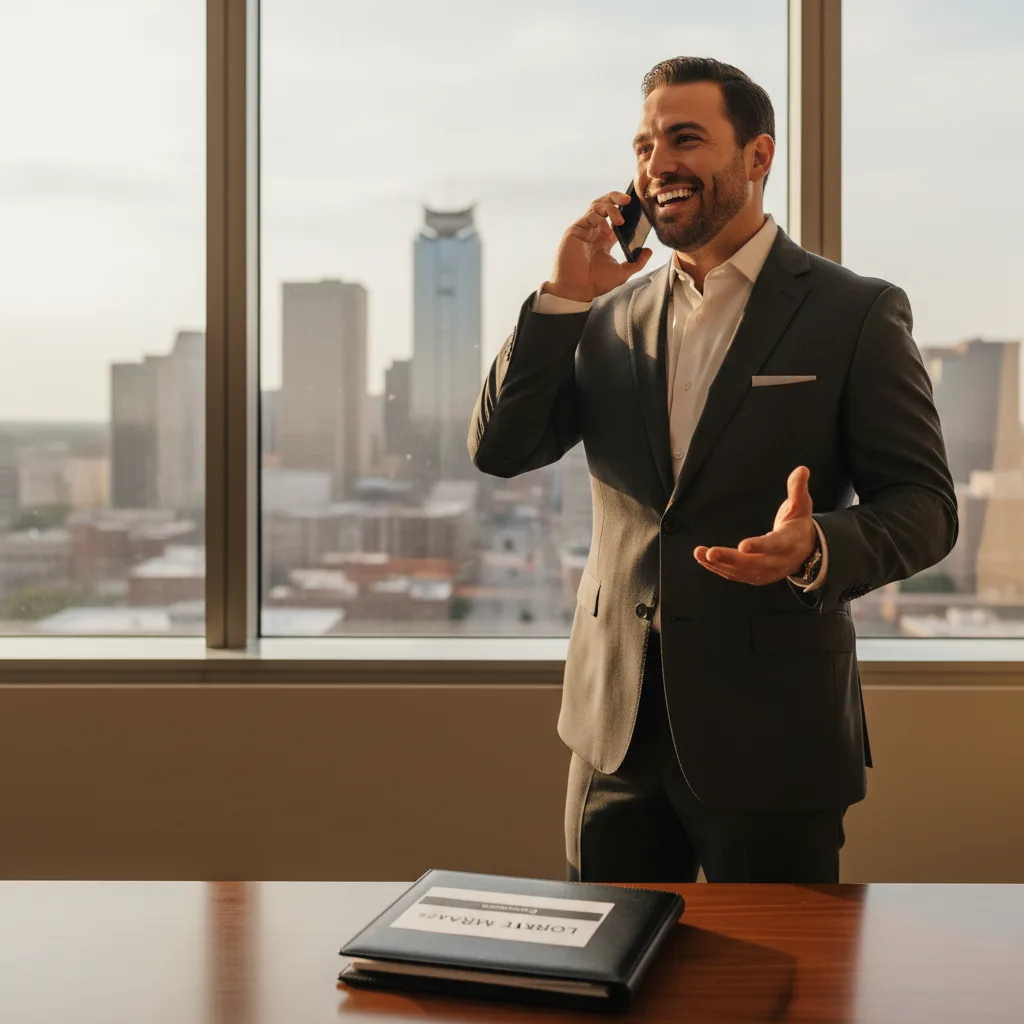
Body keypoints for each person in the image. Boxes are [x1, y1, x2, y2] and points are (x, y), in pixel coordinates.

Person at [468, 57, 957, 883]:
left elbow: (927, 507)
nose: (657, 163)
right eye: (645, 144)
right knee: (608, 986)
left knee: (781, 998)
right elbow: (501, 448)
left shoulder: (856, 313)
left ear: (758, 157)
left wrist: (816, 547)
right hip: (612, 732)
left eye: (684, 138)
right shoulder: (602, 315)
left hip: (773, 733)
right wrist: (561, 295)